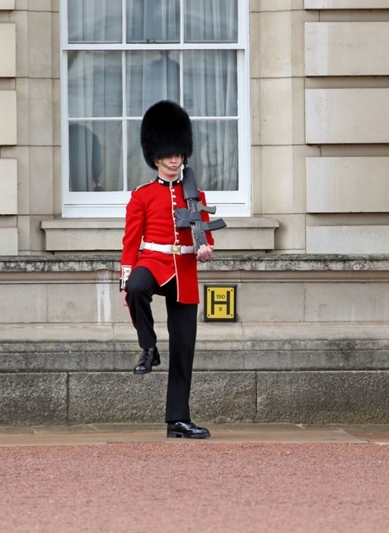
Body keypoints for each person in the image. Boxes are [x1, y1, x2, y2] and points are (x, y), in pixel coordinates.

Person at [119, 100, 215, 440]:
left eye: (178, 153)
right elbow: (131, 240)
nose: (174, 159)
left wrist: (206, 247)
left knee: (184, 346)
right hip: (153, 262)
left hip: (185, 269)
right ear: (156, 157)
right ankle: (148, 346)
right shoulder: (142, 196)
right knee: (135, 288)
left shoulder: (196, 195)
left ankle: (178, 419)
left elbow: (206, 235)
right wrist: (125, 274)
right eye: (168, 154)